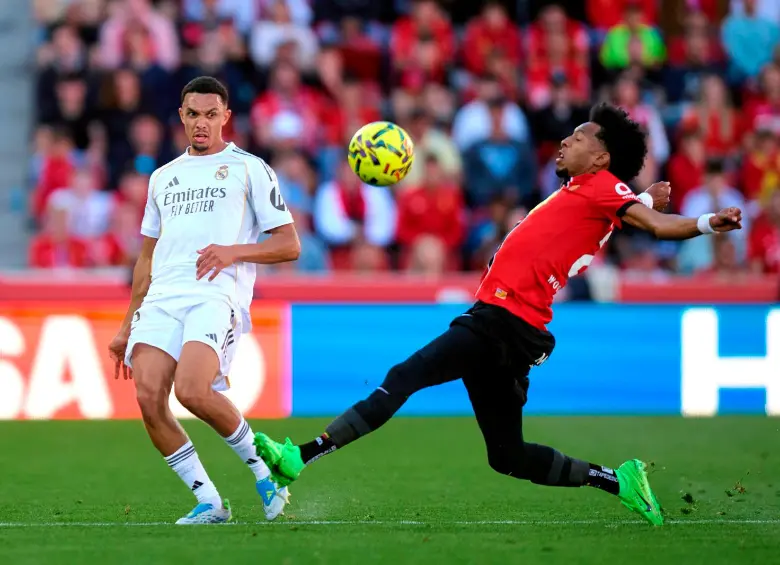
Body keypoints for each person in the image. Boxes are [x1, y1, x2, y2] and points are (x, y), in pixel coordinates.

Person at [252, 104, 742, 526]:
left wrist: (705, 223)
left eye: (576, 139)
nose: (564, 144)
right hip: (512, 328)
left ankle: (299, 456)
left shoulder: (601, 189)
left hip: (502, 322)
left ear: (601, 158)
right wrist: (644, 198)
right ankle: (619, 481)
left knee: (404, 376)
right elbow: (636, 211)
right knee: (508, 457)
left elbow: (656, 225)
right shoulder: (588, 194)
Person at [107, 76, 300, 525]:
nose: (201, 123)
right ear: (181, 116)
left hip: (215, 293)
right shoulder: (163, 177)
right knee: (149, 396)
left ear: (225, 118)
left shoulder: (249, 168)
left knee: (192, 390)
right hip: (162, 299)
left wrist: (233, 251)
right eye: (193, 114)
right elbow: (146, 259)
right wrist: (125, 326)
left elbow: (289, 244)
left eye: (211, 115)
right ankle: (209, 502)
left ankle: (265, 472)